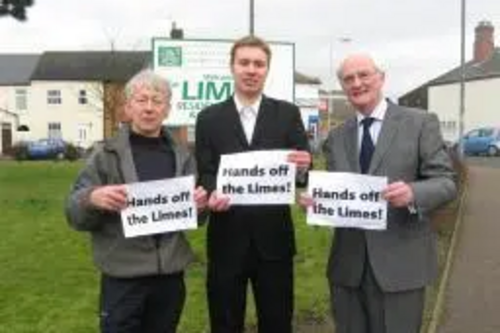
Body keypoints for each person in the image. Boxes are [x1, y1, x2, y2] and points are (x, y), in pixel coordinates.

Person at [300, 54, 457, 333]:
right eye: (348, 79)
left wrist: (413, 193)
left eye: (364, 75)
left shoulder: (420, 123)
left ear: (381, 78)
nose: (357, 83)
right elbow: (340, 195)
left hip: (401, 266)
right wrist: (317, 205)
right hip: (348, 269)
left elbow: (446, 183)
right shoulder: (335, 138)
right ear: (343, 86)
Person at [65, 69, 207, 333]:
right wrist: (92, 198)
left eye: (157, 101)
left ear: (167, 109)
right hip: (123, 278)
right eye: (142, 101)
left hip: (169, 278)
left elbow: (193, 217)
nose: (149, 108)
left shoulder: (183, 156)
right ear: (128, 107)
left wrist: (200, 207)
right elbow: (73, 211)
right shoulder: (104, 155)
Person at [195, 35, 312, 333]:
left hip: (274, 242)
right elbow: (205, 171)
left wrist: (303, 168)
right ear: (232, 67)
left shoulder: (287, 114)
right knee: (224, 323)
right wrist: (211, 194)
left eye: (259, 64)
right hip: (226, 240)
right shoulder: (208, 118)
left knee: (277, 323)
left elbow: (304, 172)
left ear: (267, 69)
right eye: (244, 62)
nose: (251, 70)